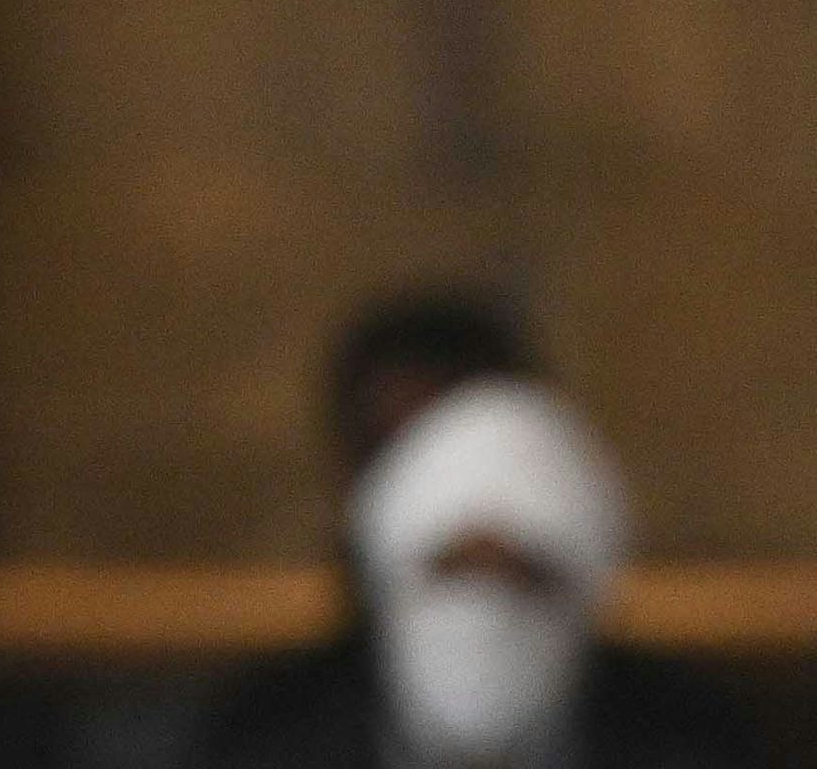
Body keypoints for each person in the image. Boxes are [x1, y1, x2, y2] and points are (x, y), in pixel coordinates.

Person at [187, 297, 763, 769]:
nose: (484, 610)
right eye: (449, 567)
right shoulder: (261, 739)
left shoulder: (689, 740)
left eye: (522, 575)